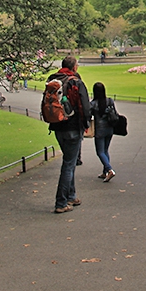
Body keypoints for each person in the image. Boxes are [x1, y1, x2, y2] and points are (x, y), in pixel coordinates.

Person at [49, 56, 91, 213]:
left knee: (69, 161)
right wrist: (86, 124)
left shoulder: (53, 80)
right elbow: (85, 106)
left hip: (57, 126)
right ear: (73, 67)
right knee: (68, 164)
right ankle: (61, 202)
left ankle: (71, 195)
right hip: (73, 127)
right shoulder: (76, 82)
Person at [89, 82, 118, 182]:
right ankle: (105, 171)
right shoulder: (109, 101)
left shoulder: (93, 104)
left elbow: (88, 114)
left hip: (100, 129)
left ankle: (109, 169)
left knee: (100, 152)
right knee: (105, 150)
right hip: (110, 128)